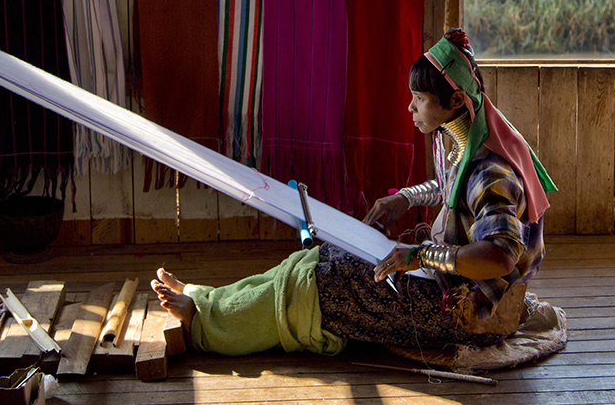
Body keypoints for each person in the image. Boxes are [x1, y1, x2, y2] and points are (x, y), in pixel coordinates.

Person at [151, 28, 557, 356]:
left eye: (418, 100)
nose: (410, 109)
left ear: (454, 101)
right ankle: (207, 301)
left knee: (320, 285)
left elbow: (502, 253)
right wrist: (408, 197)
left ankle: (207, 325)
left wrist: (420, 255)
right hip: (447, 281)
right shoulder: (466, 144)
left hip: (465, 311)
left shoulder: (493, 172)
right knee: (316, 260)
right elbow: (454, 188)